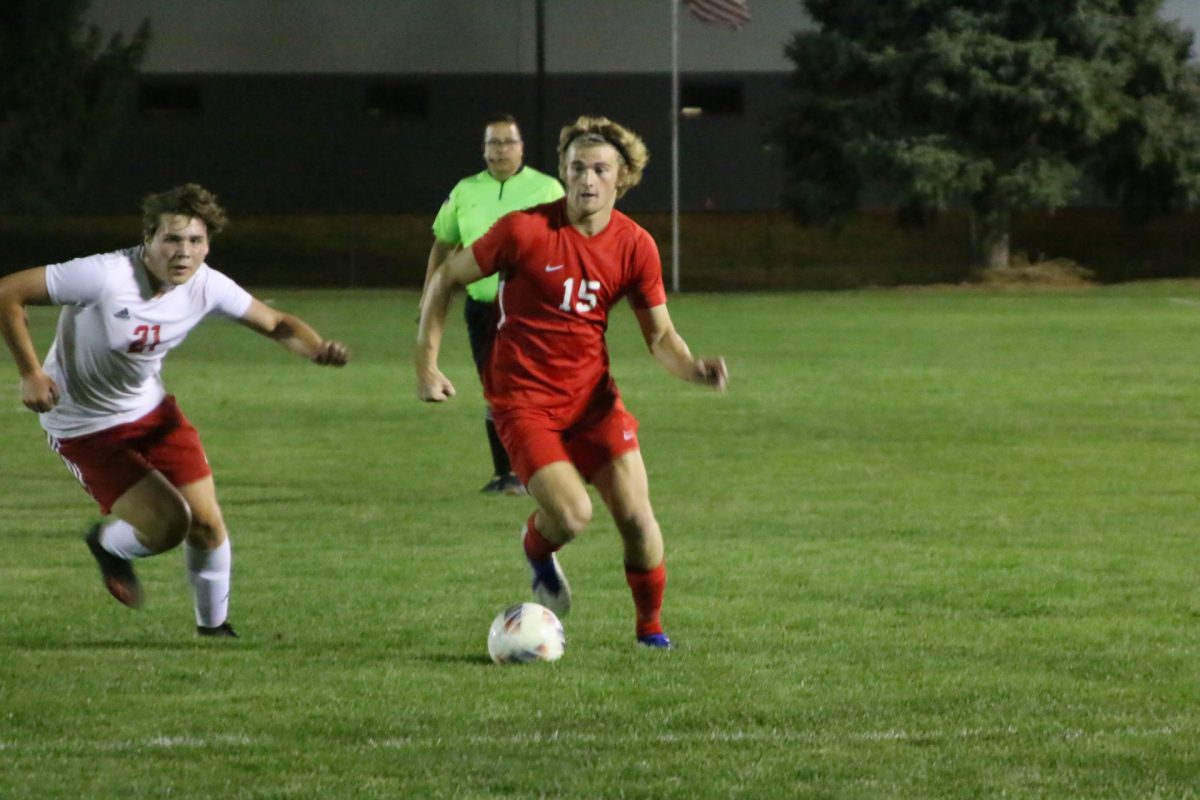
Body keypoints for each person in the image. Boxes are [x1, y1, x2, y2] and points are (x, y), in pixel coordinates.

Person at [415, 116, 728, 648]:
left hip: (593, 402)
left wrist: (693, 368)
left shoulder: (636, 245)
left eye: (599, 169)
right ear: (562, 172)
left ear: (621, 178)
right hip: (523, 402)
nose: (587, 179)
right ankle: (538, 547)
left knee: (636, 516)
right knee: (574, 514)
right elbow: (447, 276)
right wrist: (426, 363)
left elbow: (660, 337)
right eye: (577, 168)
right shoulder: (523, 230)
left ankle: (650, 631)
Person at [0, 183, 349, 637]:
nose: (184, 252)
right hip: (84, 426)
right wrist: (30, 372)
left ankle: (215, 630)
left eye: (196, 241)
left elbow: (277, 322)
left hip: (153, 414)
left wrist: (316, 348)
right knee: (169, 526)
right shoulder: (103, 275)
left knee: (205, 523)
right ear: (148, 238)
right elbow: (8, 291)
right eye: (172, 239)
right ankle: (108, 544)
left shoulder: (206, 284)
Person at [424, 113, 564, 496]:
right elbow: (443, 245)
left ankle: (551, 466)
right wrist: (429, 295)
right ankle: (508, 475)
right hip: (484, 309)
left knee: (541, 388)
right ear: (483, 149)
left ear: (521, 147)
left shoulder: (548, 189)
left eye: (508, 142)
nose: (501, 149)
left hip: (533, 310)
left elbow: (568, 247)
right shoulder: (465, 191)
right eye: (493, 143)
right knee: (497, 390)